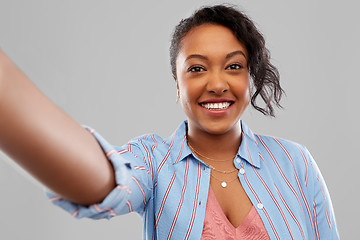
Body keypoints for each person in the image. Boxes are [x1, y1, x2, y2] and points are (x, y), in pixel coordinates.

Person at [0, 4, 339, 240]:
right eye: (196, 68)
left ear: (251, 78)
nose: (217, 83)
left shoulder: (296, 163)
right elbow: (102, 181)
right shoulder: (154, 161)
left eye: (234, 66)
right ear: (177, 85)